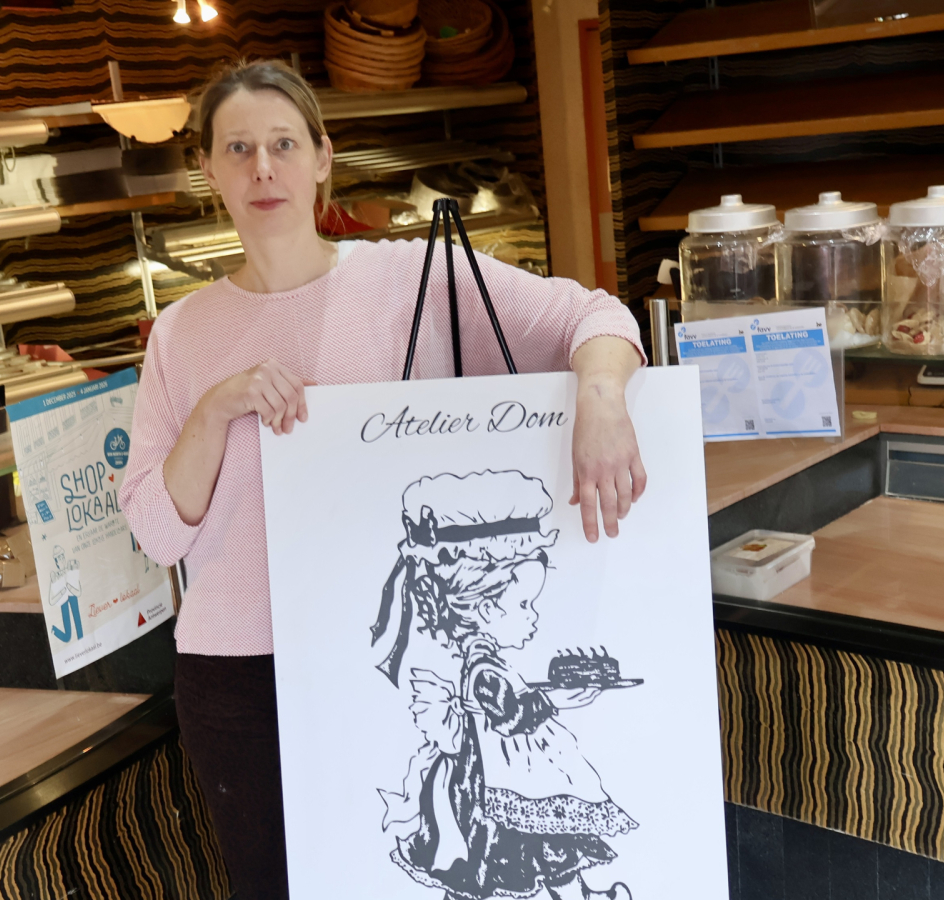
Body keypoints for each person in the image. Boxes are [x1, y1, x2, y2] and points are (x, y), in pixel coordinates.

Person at [121, 58, 647, 900]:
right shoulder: (181, 334)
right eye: (239, 149)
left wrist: (601, 396)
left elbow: (592, 314)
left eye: (284, 144)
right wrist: (215, 410)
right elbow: (155, 531)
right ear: (208, 170)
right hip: (237, 681)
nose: (263, 169)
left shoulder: (409, 279)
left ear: (323, 157)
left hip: (374, 669)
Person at [375, 471, 636, 900]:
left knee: (536, 854)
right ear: (484, 608)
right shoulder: (482, 666)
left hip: (501, 773)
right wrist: (555, 700)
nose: (533, 616)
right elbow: (509, 715)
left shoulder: (477, 657)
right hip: (495, 781)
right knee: (527, 853)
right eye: (523, 604)